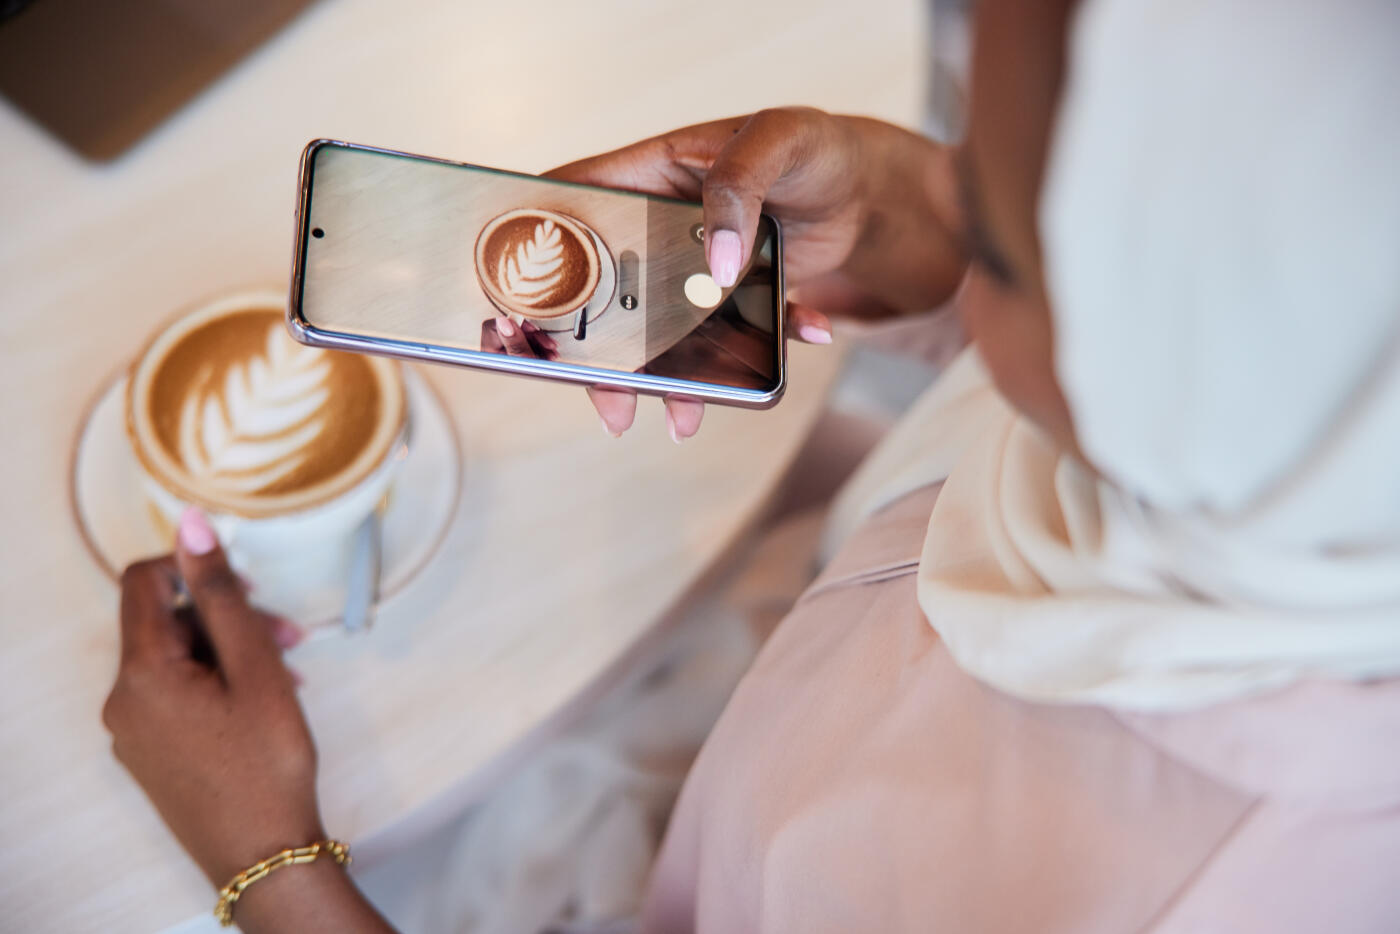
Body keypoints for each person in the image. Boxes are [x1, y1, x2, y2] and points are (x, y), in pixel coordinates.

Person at [102, 0, 1400, 930]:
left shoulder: (1205, 888)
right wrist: (906, 223)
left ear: (1205, 366)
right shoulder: (1318, 443)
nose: (952, 206)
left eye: (1000, 246)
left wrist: (269, 867)